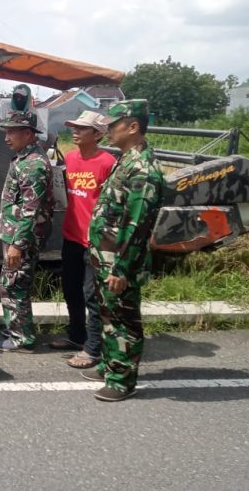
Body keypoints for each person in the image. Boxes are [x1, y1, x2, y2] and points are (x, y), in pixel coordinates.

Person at [81, 100, 164, 401]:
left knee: (124, 319)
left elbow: (137, 224)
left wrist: (122, 268)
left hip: (120, 260)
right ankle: (109, 363)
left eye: (113, 124)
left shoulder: (143, 168)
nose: (107, 129)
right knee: (108, 314)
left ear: (133, 127)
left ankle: (122, 380)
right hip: (106, 256)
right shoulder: (126, 159)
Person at [48, 111, 116, 369]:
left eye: (82, 128)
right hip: (71, 236)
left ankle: (93, 348)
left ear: (98, 134)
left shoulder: (108, 162)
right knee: (71, 289)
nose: (75, 131)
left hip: (96, 241)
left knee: (92, 295)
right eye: (74, 127)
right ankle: (77, 335)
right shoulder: (72, 158)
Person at [0, 111, 54, 351]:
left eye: (12, 132)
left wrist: (18, 244)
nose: (7, 137)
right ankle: (15, 328)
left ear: (28, 134)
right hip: (14, 233)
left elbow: (31, 209)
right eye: (6, 131)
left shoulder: (33, 165)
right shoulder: (23, 158)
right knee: (11, 283)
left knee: (14, 285)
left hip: (22, 237)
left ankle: (21, 337)